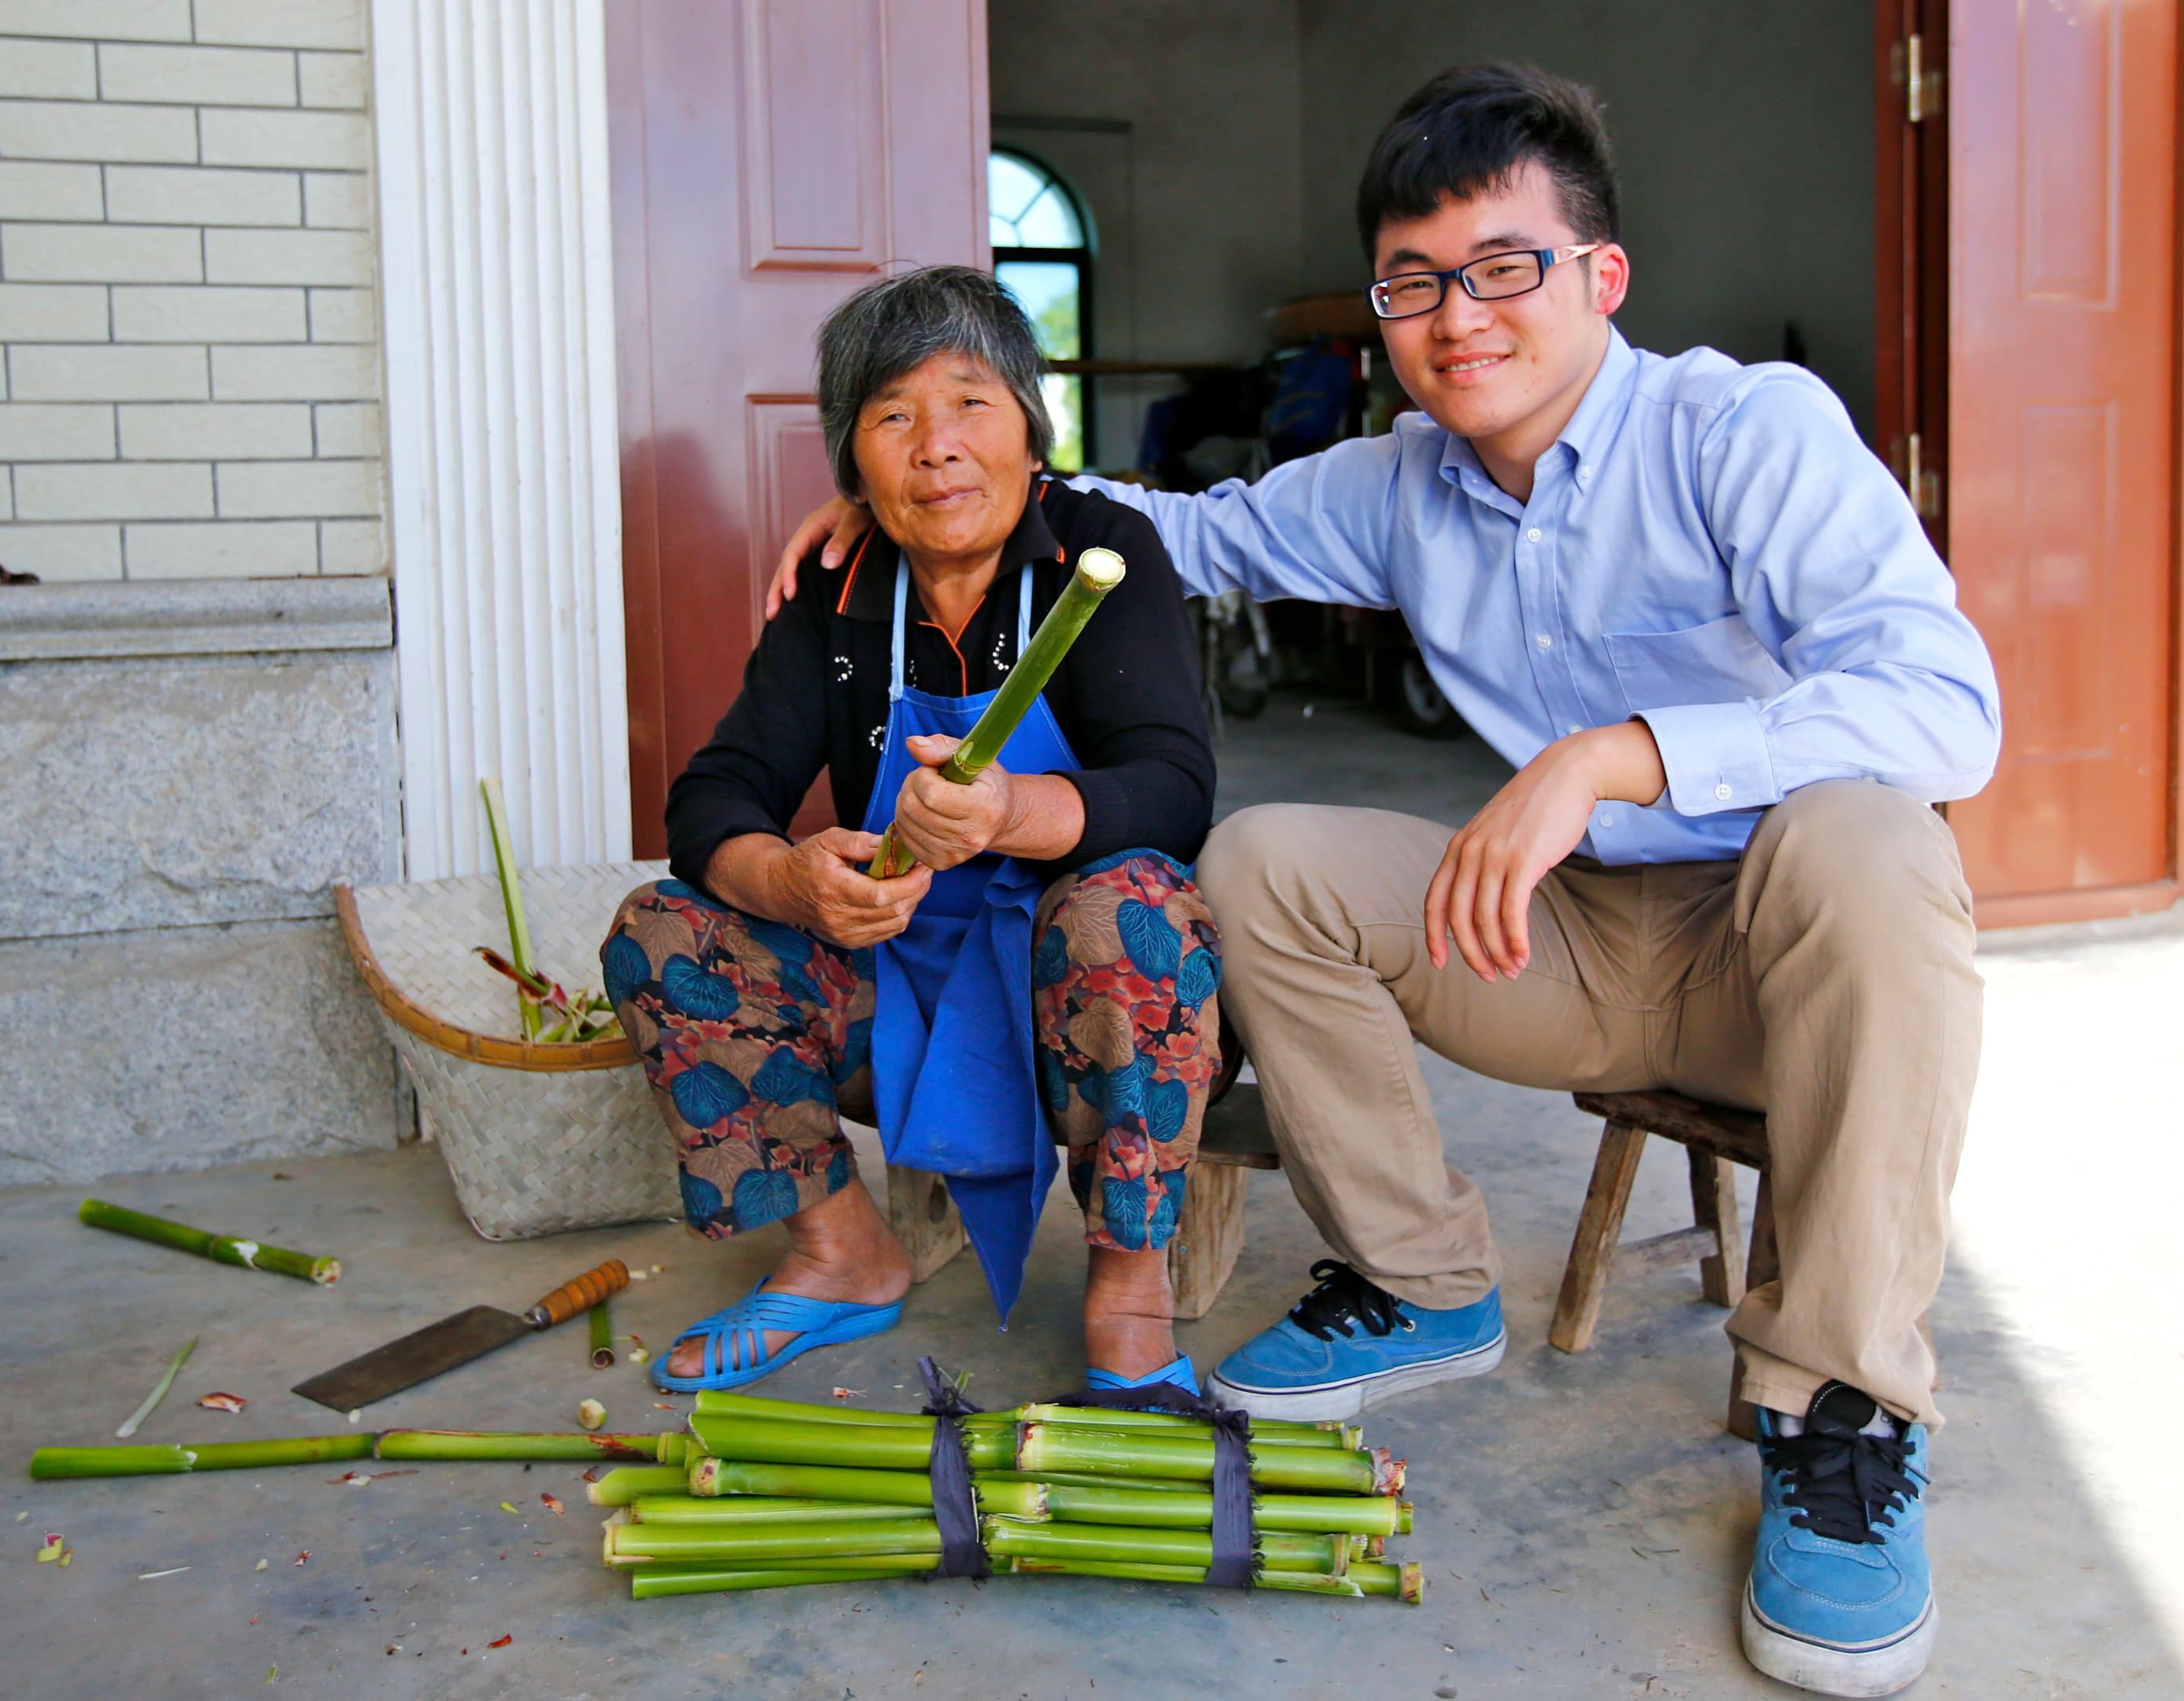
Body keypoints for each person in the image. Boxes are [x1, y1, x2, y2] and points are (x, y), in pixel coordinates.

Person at [766, 65, 2000, 1700]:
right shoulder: (1397, 480)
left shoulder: (1739, 431)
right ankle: (1420, 1282)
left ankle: (1840, 1414)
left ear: (1598, 277)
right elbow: (1178, 531)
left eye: (1504, 268)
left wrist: (1611, 753)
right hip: (1565, 953)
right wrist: (908, 487)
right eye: (1414, 283)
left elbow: (1947, 706)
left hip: (1792, 959)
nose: (1458, 318)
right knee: (1264, 857)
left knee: (1876, 830)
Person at [604, 265, 1221, 1401]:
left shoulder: (1104, 553)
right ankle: (841, 1252)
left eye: (971, 403)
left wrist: (1011, 814)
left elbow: (1176, 787)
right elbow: (712, 797)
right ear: (855, 468)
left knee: (1129, 901)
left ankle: (1130, 1289)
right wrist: (790, 880)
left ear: (1032, 430)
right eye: (893, 417)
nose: (935, 446)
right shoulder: (839, 590)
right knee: (662, 926)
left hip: (1071, 1009)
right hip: (891, 993)